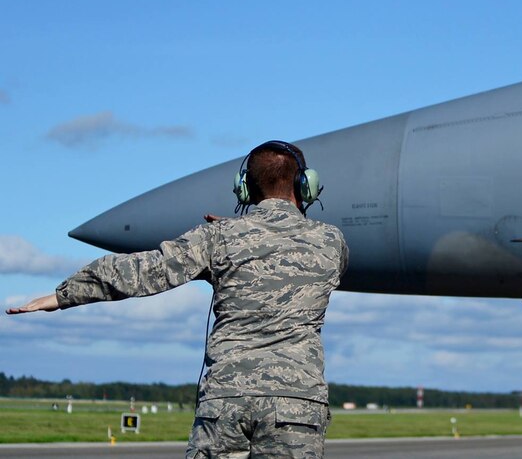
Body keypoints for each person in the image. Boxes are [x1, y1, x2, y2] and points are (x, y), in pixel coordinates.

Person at [7, 141, 348, 459]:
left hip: (225, 403)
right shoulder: (332, 243)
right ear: (305, 186)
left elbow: (144, 271)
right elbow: (283, 249)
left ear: (245, 188)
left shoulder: (218, 239)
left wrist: (63, 294)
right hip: (297, 408)